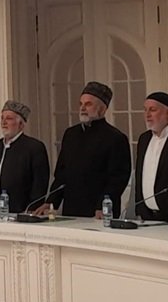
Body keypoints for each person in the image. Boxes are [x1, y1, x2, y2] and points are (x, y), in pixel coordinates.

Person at [35, 82, 131, 218]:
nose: (83, 108)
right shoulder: (70, 134)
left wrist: (103, 206)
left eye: (88, 104)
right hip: (72, 209)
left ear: (102, 109)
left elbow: (118, 179)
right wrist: (51, 202)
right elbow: (61, 175)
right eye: (81, 104)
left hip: (100, 212)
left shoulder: (115, 138)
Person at [133, 92, 168, 223]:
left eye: (153, 110)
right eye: (145, 110)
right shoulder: (144, 139)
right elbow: (140, 175)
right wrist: (139, 209)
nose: (147, 115)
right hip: (148, 217)